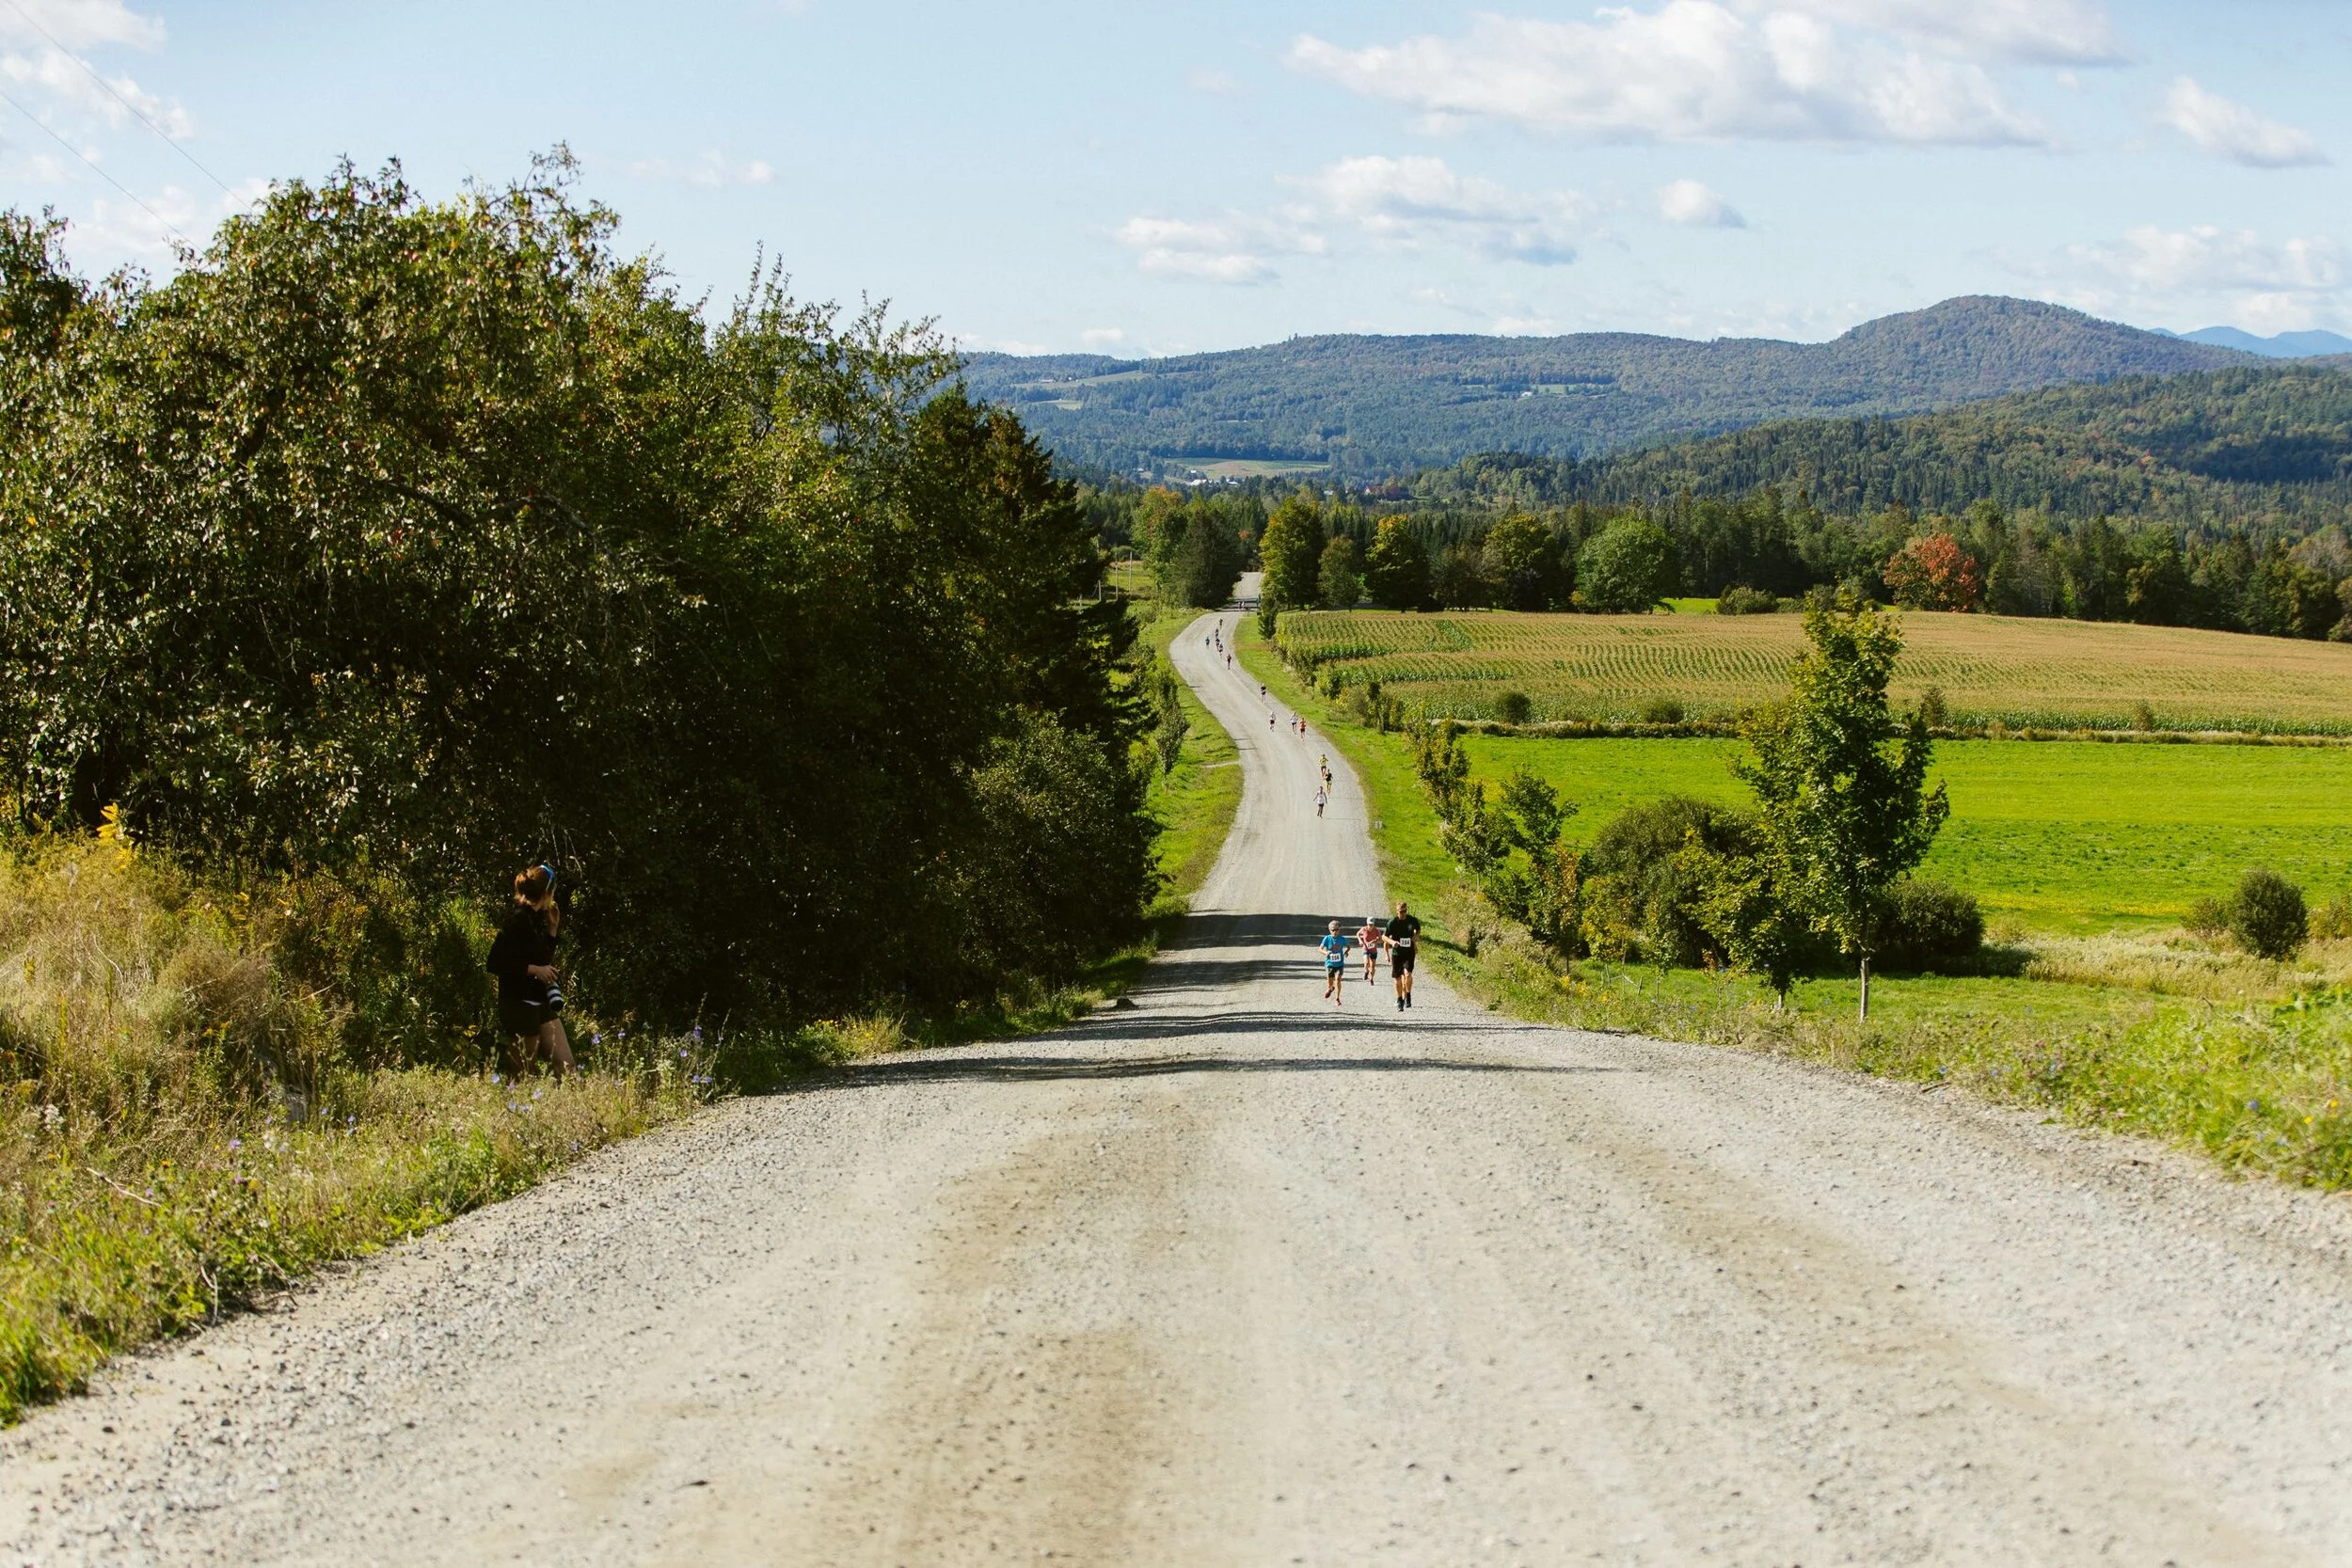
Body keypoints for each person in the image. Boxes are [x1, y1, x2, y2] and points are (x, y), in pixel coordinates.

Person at [487, 863, 576, 1078]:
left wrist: (553, 931)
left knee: (567, 1067)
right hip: (518, 1003)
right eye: (553, 892)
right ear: (547, 893)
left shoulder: (537, 918)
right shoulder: (517, 919)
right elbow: (494, 963)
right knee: (524, 1075)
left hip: (540, 999)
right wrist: (533, 970)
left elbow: (543, 959)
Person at [1386, 900, 1422, 1011]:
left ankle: (1408, 996)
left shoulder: (1412, 920)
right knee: (1397, 979)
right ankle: (1399, 999)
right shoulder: (1392, 922)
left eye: (1405, 911)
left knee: (1407, 974)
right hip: (1397, 953)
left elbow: (1418, 929)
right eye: (1401, 912)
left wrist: (1416, 936)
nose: (1403, 914)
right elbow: (1384, 937)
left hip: (1409, 952)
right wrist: (1392, 943)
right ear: (1397, 912)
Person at [1320, 919, 1350, 1006]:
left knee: (1338, 980)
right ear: (1330, 930)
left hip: (1339, 963)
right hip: (1330, 964)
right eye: (1333, 930)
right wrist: (1326, 953)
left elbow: (1348, 947)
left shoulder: (1342, 939)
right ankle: (1330, 988)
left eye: (1337, 930)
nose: (1335, 932)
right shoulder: (1327, 938)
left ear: (1339, 930)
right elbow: (1319, 949)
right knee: (1330, 981)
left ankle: (1337, 999)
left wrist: (1346, 951)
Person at [1358, 915, 1383, 984]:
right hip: (1366, 948)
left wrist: (1376, 941)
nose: (1370, 926)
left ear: (1374, 924)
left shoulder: (1376, 930)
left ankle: (1371, 979)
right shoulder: (1364, 929)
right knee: (1366, 963)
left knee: (1373, 966)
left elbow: (1381, 940)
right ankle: (1366, 971)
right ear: (1367, 924)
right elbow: (1358, 934)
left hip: (1373, 950)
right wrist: (1360, 940)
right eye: (1369, 924)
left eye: (1372, 924)